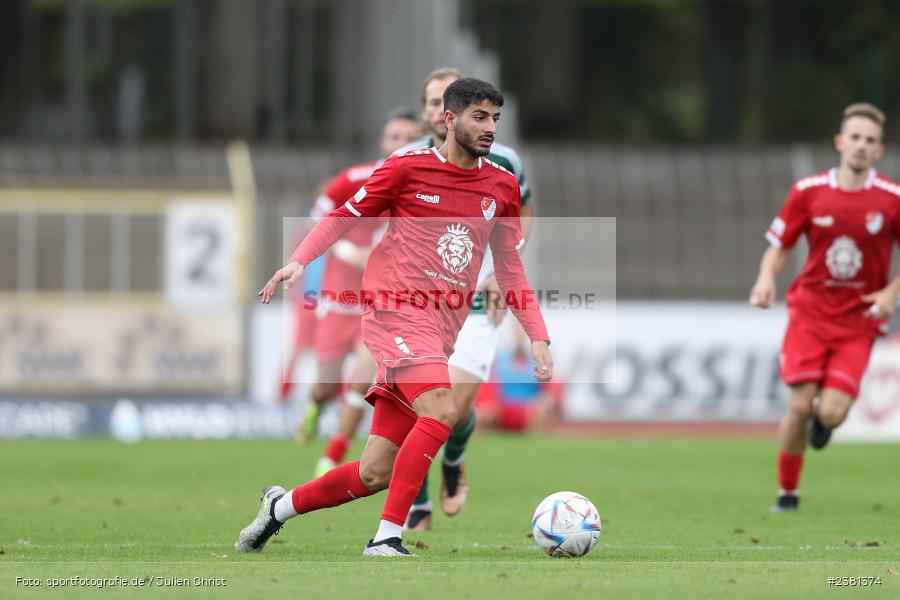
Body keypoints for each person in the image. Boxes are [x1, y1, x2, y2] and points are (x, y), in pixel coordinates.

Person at [236, 78, 553, 557]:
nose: (490, 127)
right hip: (395, 312)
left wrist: (537, 336)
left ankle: (277, 508)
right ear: (449, 119)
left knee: (374, 472)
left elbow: (509, 266)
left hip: (441, 329)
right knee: (443, 410)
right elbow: (345, 215)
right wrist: (300, 260)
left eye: (495, 118)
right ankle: (386, 538)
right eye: (479, 117)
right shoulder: (407, 168)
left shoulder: (502, 185)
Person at [396, 67, 536, 531]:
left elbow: (523, 213)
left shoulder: (504, 161)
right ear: (428, 111)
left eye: (448, 101)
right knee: (417, 406)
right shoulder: (406, 160)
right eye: (433, 102)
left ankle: (454, 459)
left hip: (476, 302)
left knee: (452, 412)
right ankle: (417, 504)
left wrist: (504, 269)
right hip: (415, 305)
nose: (441, 111)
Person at [749, 102, 900, 512]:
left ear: (879, 150)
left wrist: (891, 293)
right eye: (855, 137)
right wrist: (765, 279)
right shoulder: (809, 191)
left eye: (869, 140)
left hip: (859, 320)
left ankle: (824, 423)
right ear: (840, 142)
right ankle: (788, 494)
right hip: (810, 314)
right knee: (800, 404)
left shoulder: (892, 199)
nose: (861, 145)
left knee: (831, 413)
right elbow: (779, 245)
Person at [292, 108, 419, 451]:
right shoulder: (354, 179)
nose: (402, 144)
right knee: (326, 386)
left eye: (410, 138)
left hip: (379, 307)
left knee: (361, 383)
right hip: (339, 300)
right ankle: (315, 407)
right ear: (382, 142)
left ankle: (332, 458)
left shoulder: (424, 190)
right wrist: (348, 251)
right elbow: (315, 222)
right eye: (395, 137)